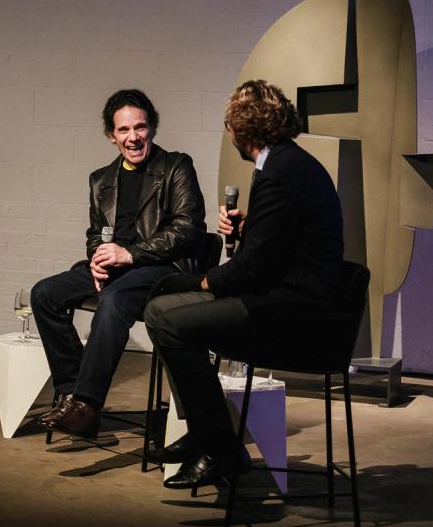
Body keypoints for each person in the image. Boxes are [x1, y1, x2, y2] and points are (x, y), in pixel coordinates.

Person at [144, 79, 344, 489]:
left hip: (292, 311)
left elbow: (253, 269)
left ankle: (218, 444)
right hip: (287, 297)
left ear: (242, 129)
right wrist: (249, 226)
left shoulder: (280, 172)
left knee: (166, 315)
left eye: (228, 125)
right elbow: (281, 243)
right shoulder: (287, 164)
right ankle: (211, 435)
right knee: (162, 307)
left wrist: (202, 280)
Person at [32, 88, 206, 439]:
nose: (133, 137)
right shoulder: (101, 180)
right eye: (124, 130)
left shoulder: (175, 166)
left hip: (162, 269)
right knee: (45, 293)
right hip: (116, 268)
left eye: (140, 128)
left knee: (113, 300)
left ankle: (87, 403)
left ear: (152, 128)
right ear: (111, 136)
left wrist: (132, 254)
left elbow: (188, 229)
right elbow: (96, 232)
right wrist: (97, 258)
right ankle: (71, 392)